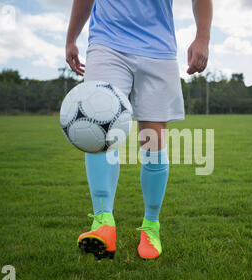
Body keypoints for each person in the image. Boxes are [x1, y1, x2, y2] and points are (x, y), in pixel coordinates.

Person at [66, 0, 212, 260]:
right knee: (98, 129)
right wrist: (71, 39)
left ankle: (150, 227)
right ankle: (103, 223)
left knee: (153, 142)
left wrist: (202, 37)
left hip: (158, 49)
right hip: (107, 44)